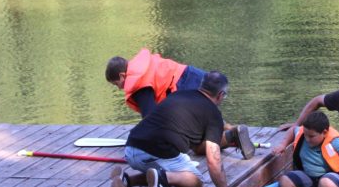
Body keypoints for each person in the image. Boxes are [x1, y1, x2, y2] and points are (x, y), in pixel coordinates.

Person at [110, 71, 240, 187]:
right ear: (220, 95)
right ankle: (164, 177)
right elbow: (214, 161)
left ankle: (127, 180)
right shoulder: (213, 114)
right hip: (156, 151)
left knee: (164, 168)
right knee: (196, 181)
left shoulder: (178, 94)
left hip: (131, 148)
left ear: (201, 86)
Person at [105, 49, 255, 159]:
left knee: (198, 147)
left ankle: (231, 136)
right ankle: (234, 130)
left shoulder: (138, 84)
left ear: (122, 75)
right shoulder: (143, 66)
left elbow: (150, 119)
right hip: (195, 76)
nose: (119, 88)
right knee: (206, 126)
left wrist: (139, 143)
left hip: (185, 88)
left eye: (116, 84)